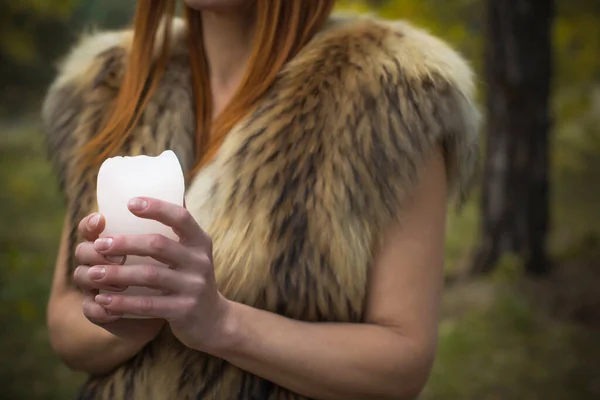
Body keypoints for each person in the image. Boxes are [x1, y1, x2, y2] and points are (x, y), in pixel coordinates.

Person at [43, 0, 480, 399]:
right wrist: (136, 314)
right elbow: (65, 327)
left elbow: (401, 365)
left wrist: (223, 324)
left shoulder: (392, 93)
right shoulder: (110, 85)